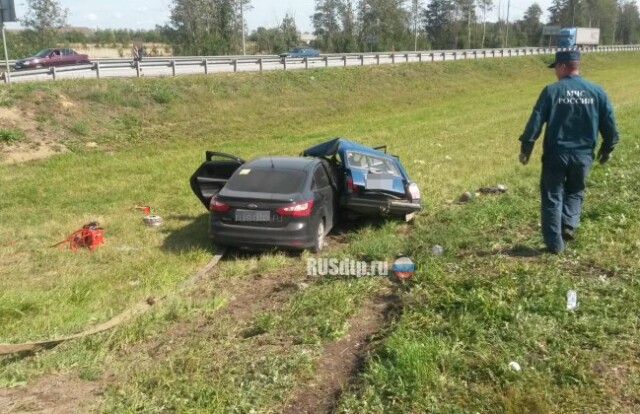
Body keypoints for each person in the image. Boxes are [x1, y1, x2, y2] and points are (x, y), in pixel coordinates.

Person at [518, 50, 619, 253]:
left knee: (552, 196)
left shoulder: (552, 91)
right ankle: (568, 224)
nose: (555, 72)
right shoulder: (597, 91)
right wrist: (607, 147)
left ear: (563, 66)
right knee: (575, 191)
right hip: (583, 155)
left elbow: (535, 120)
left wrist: (526, 147)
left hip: (556, 154)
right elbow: (609, 123)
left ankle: (555, 245)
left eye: (555, 67)